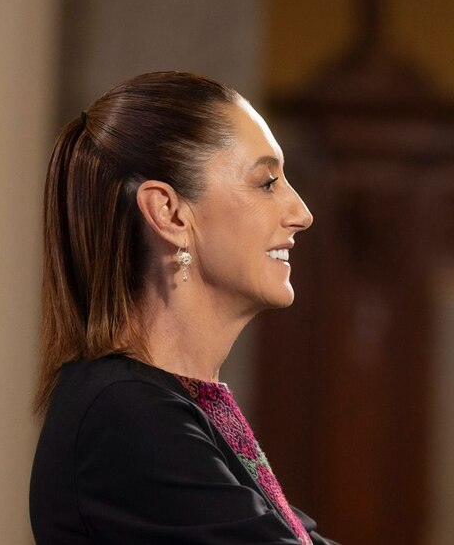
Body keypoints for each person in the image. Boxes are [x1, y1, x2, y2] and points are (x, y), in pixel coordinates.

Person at [29, 71, 335, 544]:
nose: (301, 213)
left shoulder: (161, 406)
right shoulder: (124, 418)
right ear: (169, 214)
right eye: (267, 182)